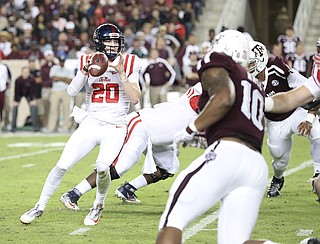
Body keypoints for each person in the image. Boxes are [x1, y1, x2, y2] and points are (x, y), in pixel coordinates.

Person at [156, 30, 273, 244]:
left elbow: (224, 98)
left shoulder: (218, 61)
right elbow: (240, 123)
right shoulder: (254, 83)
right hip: (256, 165)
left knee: (173, 220)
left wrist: (190, 128)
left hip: (227, 155)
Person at [20, 23, 142, 226]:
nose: (113, 45)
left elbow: (135, 98)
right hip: (91, 123)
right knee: (62, 165)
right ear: (98, 43)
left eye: (115, 41)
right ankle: (39, 206)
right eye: (108, 41)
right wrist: (84, 72)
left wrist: (121, 74)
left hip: (115, 126)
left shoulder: (130, 61)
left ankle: (98, 205)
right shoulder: (87, 59)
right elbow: (71, 91)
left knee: (103, 167)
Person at [60, 82, 202, 208]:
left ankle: (127, 189)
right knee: (119, 167)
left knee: (169, 168)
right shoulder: (207, 91)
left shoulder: (210, 89)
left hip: (158, 135)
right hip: (143, 125)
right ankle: (73, 194)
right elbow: (204, 109)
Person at [248, 41, 320, 198]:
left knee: (317, 131)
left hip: (296, 111)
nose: (247, 67)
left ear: (260, 60)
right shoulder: (246, 80)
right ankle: (278, 178)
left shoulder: (277, 67)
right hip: (274, 122)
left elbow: (312, 91)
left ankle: (318, 175)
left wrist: (309, 118)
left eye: (251, 63)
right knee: (279, 157)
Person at [47, 54, 74, 133]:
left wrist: (59, 78)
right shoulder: (54, 68)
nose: (62, 62)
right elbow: (53, 78)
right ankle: (52, 127)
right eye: (61, 61)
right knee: (53, 109)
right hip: (55, 91)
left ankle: (65, 128)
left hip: (65, 91)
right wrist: (64, 78)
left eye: (63, 61)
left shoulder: (68, 70)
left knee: (66, 110)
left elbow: (70, 81)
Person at [11, 66, 40, 132]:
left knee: (33, 107)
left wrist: (33, 100)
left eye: (27, 72)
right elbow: (16, 91)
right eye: (24, 72)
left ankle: (36, 127)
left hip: (29, 95)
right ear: (21, 72)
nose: (25, 74)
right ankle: (13, 127)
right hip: (20, 94)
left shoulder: (32, 80)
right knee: (15, 107)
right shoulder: (18, 80)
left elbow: (33, 91)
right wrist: (15, 101)